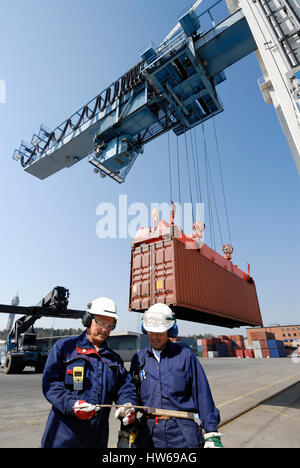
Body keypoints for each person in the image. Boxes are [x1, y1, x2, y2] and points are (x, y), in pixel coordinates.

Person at [41, 297, 138, 448]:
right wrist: (72, 404)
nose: (105, 329)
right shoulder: (65, 348)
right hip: (62, 438)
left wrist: (127, 404)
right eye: (100, 323)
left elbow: (125, 387)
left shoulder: (114, 360)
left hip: (95, 439)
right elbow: (51, 385)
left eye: (110, 324)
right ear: (88, 319)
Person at [130, 303, 223, 449]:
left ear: (170, 331)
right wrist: (127, 410)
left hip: (182, 433)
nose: (154, 337)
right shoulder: (138, 359)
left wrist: (211, 432)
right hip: (148, 433)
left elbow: (202, 393)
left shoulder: (185, 356)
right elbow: (131, 394)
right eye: (151, 332)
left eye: (159, 332)